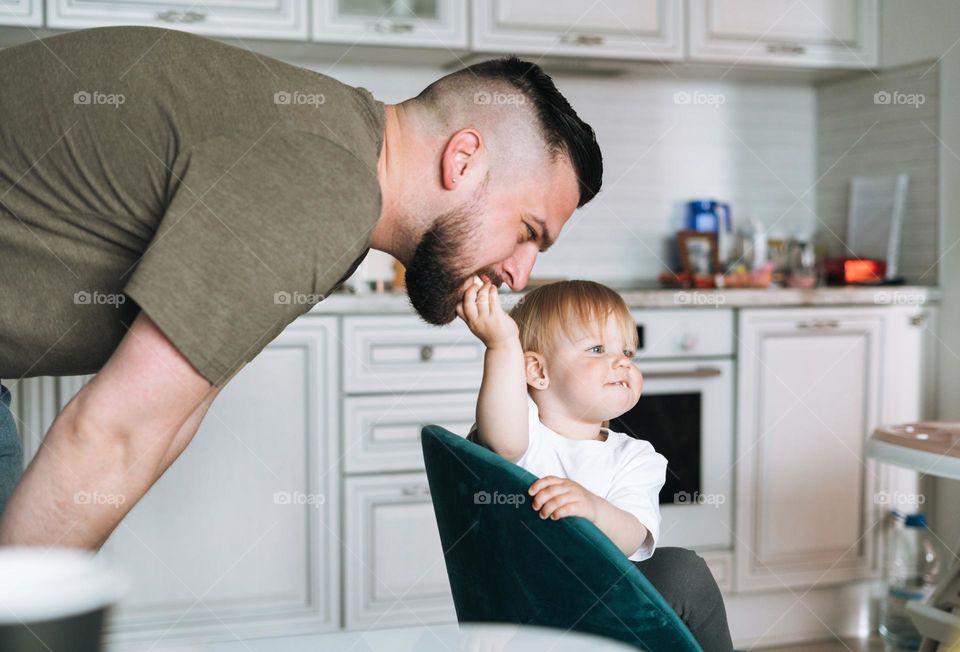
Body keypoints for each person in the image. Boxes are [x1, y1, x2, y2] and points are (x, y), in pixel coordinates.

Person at [0, 25, 602, 548]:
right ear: (463, 159)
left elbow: (169, 419)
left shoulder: (338, 168)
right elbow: (113, 434)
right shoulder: (325, 183)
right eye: (527, 231)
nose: (519, 275)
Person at [458, 278, 733, 651]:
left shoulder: (637, 458)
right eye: (598, 348)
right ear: (538, 372)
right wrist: (501, 344)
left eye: (629, 353)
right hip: (524, 610)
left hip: (600, 608)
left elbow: (634, 538)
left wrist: (592, 509)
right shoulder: (521, 436)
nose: (622, 361)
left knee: (685, 572)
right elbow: (504, 443)